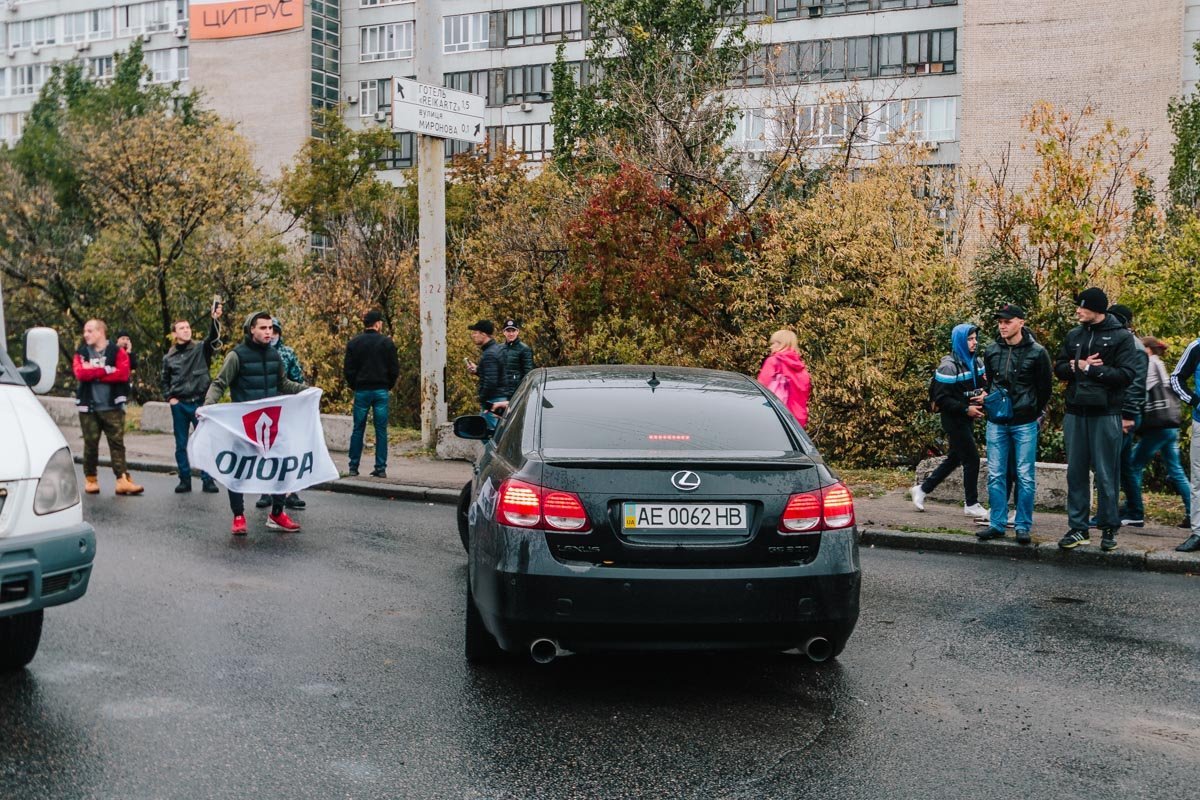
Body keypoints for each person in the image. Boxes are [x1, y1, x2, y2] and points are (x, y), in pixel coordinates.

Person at [1053, 288, 1142, 552]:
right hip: (1075, 411)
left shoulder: (1121, 337)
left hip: (1106, 413)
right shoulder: (1074, 335)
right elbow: (1058, 367)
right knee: (1076, 472)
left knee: (1106, 473)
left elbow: (1126, 375)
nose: (1078, 311)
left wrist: (1090, 369)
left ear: (1097, 310)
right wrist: (1074, 366)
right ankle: (1078, 528)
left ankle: (1108, 528)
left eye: (1082, 307)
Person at [204, 311, 307, 535]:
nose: (268, 332)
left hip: (271, 425)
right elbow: (220, 383)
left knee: (282, 468)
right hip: (243, 425)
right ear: (252, 329)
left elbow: (284, 383)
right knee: (238, 471)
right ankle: (239, 516)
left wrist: (308, 392)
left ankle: (277, 514)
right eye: (263, 328)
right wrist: (208, 405)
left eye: (270, 328)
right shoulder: (236, 356)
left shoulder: (274, 356)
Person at [978, 304, 1052, 544]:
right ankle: (997, 524)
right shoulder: (991, 350)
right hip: (997, 421)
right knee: (996, 474)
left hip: (1024, 421)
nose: (1002, 325)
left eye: (1007, 321)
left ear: (1021, 322)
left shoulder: (1037, 352)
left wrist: (1031, 410)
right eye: (1000, 321)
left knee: (1025, 475)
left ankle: (1022, 525)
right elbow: (990, 383)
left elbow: (1044, 389)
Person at [910, 324, 987, 518]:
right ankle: (971, 504)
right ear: (960, 341)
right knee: (972, 458)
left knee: (955, 457)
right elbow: (942, 399)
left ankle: (922, 489)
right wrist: (965, 408)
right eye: (970, 339)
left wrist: (984, 395)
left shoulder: (976, 362)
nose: (974, 342)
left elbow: (985, 385)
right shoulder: (948, 366)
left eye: (975, 338)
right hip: (953, 419)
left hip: (967, 417)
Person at [1127, 337, 1191, 536]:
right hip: (1170, 425)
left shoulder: (1149, 364)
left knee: (1133, 465)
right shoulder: (1160, 364)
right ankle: (1193, 513)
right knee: (1176, 470)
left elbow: (1137, 388)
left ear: (1147, 349)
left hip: (1158, 426)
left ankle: (1133, 509)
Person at [73, 319, 144, 496]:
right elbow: (80, 373)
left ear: (100, 332)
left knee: (117, 444)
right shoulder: (82, 353)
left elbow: (122, 374)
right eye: (85, 331)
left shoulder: (117, 351)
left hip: (112, 406)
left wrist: (95, 372)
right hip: (88, 407)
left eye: (90, 331)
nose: (86, 335)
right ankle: (91, 479)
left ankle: (122, 480)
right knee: (90, 445)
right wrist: (106, 370)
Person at [161, 305, 223, 494]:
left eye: (188, 327)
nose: (186, 330)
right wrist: (170, 397)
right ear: (174, 334)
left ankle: (208, 479)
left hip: (199, 402)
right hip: (180, 404)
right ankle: (184, 479)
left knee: (204, 442)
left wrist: (215, 319)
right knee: (181, 444)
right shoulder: (169, 357)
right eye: (182, 328)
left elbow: (213, 337)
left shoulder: (200, 349)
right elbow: (164, 380)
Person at [256, 318, 307, 511]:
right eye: (268, 330)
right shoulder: (257, 354)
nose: (272, 334)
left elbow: (296, 377)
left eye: (275, 331)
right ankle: (265, 490)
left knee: (287, 450)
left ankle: (291, 491)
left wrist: (304, 393)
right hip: (265, 406)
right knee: (265, 449)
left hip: (286, 407)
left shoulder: (287, 353)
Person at [344, 309, 400, 478]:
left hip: (362, 390)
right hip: (381, 390)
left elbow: (348, 370)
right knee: (381, 430)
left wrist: (355, 385)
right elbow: (394, 369)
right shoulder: (387, 343)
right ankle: (380, 467)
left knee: (358, 428)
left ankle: (353, 466)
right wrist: (387, 385)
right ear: (377, 324)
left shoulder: (354, 343)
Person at [1107, 304, 1147, 527]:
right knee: (1124, 464)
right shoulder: (1127, 343)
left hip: (1124, 414)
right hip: (1122, 412)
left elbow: (1136, 384)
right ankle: (1134, 511)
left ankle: (1109, 513)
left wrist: (1128, 415)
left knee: (1110, 463)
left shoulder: (1133, 346)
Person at [1169, 333, 1200, 552]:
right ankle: (1198, 532)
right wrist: (1195, 401)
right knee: (1198, 479)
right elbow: (1176, 378)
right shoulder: (1196, 347)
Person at [756, 329, 812, 428]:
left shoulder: (773, 361)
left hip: (775, 416)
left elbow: (759, 388)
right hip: (796, 421)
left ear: (781, 344)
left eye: (774, 343)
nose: (771, 346)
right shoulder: (801, 368)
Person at [465, 320, 508, 426]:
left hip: (493, 400)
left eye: (475, 332)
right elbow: (494, 375)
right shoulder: (496, 349)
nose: (473, 335)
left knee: (490, 435)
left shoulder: (489, 354)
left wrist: (482, 398)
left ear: (483, 334)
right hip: (499, 398)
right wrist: (478, 370)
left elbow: (491, 382)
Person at [500, 318, 535, 396]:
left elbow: (528, 374)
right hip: (501, 393)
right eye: (508, 331)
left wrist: (523, 392)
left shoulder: (524, 349)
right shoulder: (499, 348)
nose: (511, 334)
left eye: (513, 331)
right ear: (504, 332)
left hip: (517, 394)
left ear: (517, 332)